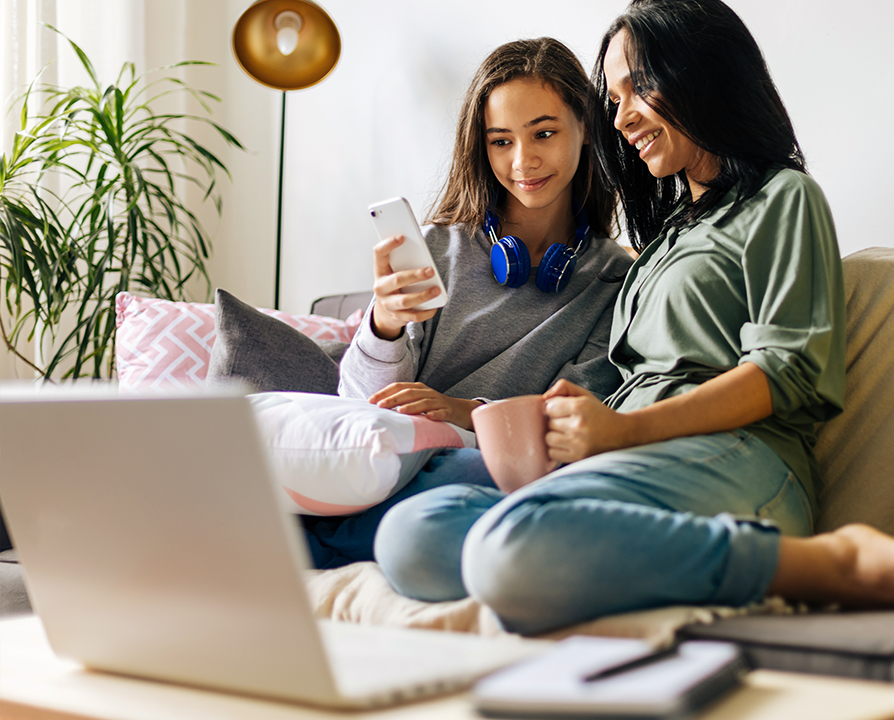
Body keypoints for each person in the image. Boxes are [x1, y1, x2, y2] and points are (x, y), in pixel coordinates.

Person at [373, 0, 894, 636]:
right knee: (411, 535)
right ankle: (599, 565)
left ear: (699, 76)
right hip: (631, 461)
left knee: (504, 549)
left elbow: (788, 373)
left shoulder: (780, 197)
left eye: (636, 89)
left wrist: (625, 432)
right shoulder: (662, 242)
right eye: (613, 99)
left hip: (735, 460)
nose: (620, 118)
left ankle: (824, 563)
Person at [300, 37, 634, 568]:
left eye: (543, 133)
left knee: (465, 486)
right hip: (394, 461)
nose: (523, 161)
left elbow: (578, 417)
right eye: (501, 141)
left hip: (486, 471)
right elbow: (364, 408)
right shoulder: (437, 246)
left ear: (586, 127)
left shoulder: (619, 281)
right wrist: (384, 327)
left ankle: (315, 540)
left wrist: (465, 415)